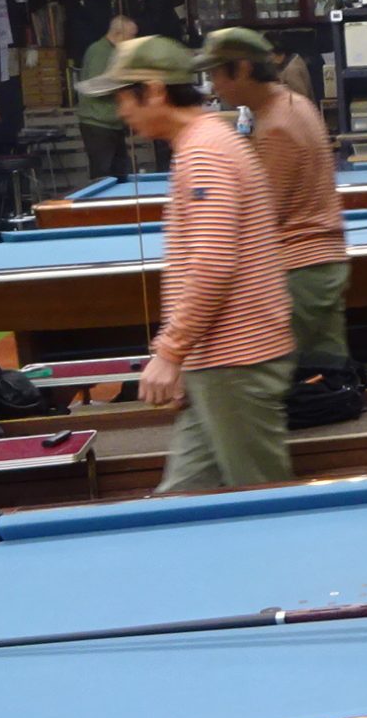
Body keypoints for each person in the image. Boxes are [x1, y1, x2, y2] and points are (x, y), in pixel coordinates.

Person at [82, 36, 293, 493]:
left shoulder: (204, 152)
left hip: (236, 360)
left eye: (123, 97)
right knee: (181, 500)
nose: (120, 111)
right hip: (219, 360)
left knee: (263, 502)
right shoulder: (203, 143)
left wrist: (171, 351)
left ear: (155, 91)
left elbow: (213, 264)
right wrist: (185, 357)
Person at [200, 26, 350, 360]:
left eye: (216, 74)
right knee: (328, 375)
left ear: (242, 69)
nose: (213, 85)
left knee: (269, 373)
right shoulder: (293, 104)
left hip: (298, 272)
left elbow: (263, 214)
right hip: (319, 265)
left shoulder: (277, 124)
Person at [75, 14, 136, 181]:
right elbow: (96, 85)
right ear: (118, 34)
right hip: (98, 123)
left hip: (111, 122)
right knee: (104, 175)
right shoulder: (99, 51)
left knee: (120, 172)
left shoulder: (113, 51)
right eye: (130, 36)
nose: (132, 40)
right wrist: (128, 85)